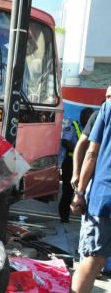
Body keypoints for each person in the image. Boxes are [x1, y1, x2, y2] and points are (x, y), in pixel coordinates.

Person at [70, 99, 111, 293]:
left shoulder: (108, 108)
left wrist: (79, 192)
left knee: (93, 260)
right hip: (104, 196)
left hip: (104, 195)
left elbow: (91, 152)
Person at [59, 107, 94, 222]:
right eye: (86, 117)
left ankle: (85, 215)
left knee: (86, 191)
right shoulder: (74, 126)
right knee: (68, 191)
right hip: (71, 163)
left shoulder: (94, 128)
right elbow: (65, 141)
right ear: (81, 117)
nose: (88, 119)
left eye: (90, 117)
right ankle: (64, 217)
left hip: (87, 163)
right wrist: (79, 152)